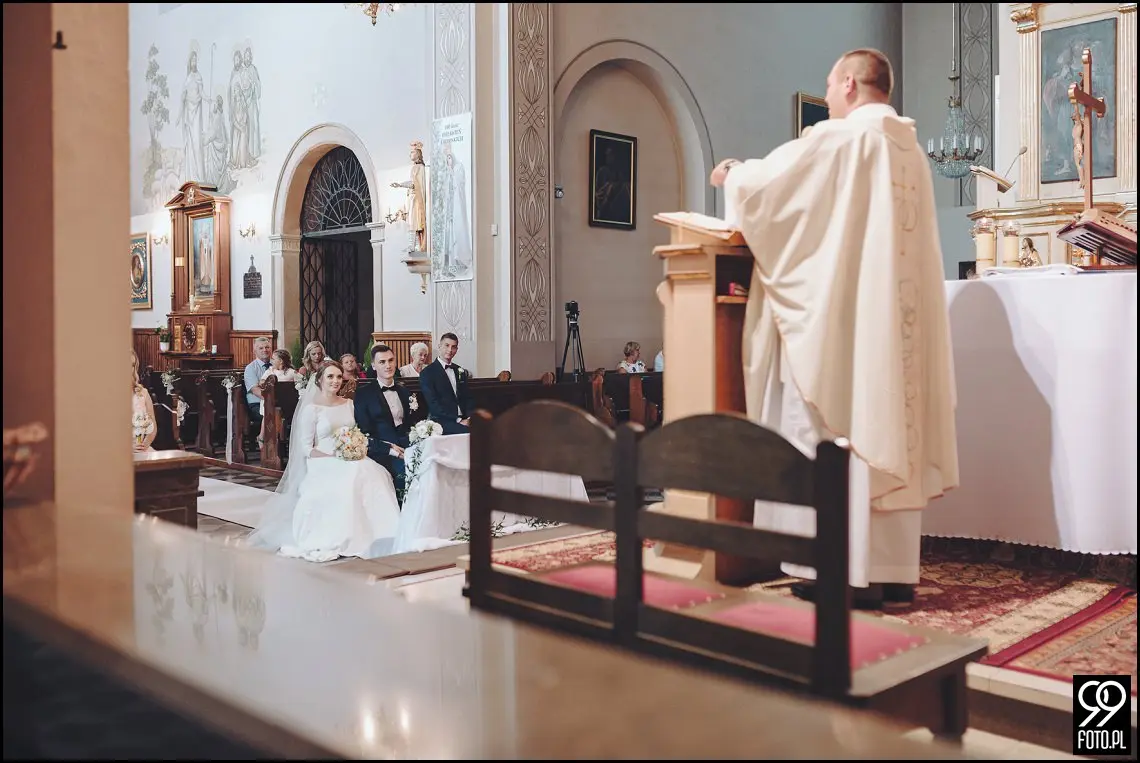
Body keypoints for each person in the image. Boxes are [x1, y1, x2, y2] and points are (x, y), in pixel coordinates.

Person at [711, 48, 959, 609]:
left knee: (833, 427)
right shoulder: (909, 149)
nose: (826, 96)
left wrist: (733, 174)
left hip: (844, 324)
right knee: (889, 424)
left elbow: (771, 190)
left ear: (849, 83)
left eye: (829, 85)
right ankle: (891, 571)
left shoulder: (843, 139)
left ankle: (840, 572)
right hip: (893, 325)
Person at [247, 359, 402, 562]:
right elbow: (305, 448)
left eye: (339, 376)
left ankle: (381, 534)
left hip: (348, 455)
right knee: (351, 476)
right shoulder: (312, 409)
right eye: (330, 376)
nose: (335, 381)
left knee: (374, 473)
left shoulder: (349, 404)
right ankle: (346, 535)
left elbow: (358, 433)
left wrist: (361, 448)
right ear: (319, 379)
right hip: (321, 458)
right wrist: (332, 456)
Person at [354, 344, 413, 496]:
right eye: (382, 362)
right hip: (382, 451)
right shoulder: (363, 394)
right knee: (406, 473)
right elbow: (364, 433)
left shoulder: (404, 391)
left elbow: (411, 423)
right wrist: (391, 449)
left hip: (408, 446)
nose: (388, 365)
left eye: (391, 360)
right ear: (373, 365)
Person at [418, 332, 473, 435]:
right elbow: (433, 404)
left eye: (453, 347)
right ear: (439, 346)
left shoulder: (460, 370)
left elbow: (467, 397)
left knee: (486, 428)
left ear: (456, 350)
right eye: (447, 345)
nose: (450, 350)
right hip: (442, 421)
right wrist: (458, 420)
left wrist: (470, 417)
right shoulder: (427, 373)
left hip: (463, 419)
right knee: (471, 432)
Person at [391, 141, 428, 252]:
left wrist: (401, 184)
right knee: (411, 222)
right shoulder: (414, 168)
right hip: (412, 198)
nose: (410, 154)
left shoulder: (421, 168)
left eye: (412, 152)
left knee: (416, 222)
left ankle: (416, 246)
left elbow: (416, 183)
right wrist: (401, 185)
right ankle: (412, 245)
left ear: (417, 153)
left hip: (417, 199)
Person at [257, 349, 297, 446]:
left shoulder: (291, 372)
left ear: (281, 361)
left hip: (286, 402)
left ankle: (281, 438)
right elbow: (261, 382)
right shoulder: (270, 371)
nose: (271, 361)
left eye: (274, 359)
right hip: (271, 401)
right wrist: (264, 382)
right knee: (268, 409)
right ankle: (262, 436)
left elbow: (301, 383)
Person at [243, 336, 274, 426]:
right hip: (257, 403)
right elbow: (255, 390)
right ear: (255, 351)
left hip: (275, 402)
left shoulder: (276, 364)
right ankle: (266, 438)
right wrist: (272, 400)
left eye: (267, 347)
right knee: (272, 414)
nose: (265, 350)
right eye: (261, 348)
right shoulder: (250, 368)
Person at [131, 350, 157, 452]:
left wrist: (145, 444)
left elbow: (153, 426)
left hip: (141, 448)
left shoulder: (143, 393)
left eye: (132, 365)